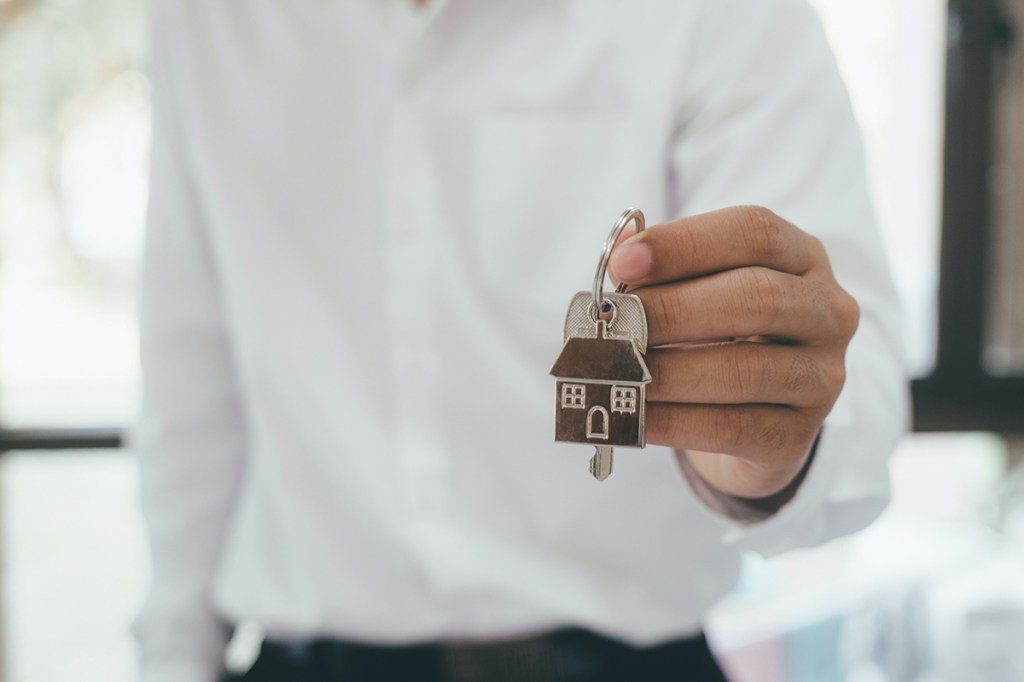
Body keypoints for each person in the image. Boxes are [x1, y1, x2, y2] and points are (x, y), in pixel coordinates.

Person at [132, 0, 907, 680]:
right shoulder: (206, 16)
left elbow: (855, 381)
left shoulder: (722, 14)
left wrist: (761, 450)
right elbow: (189, 376)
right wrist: (174, 657)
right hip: (303, 657)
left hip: (629, 662)